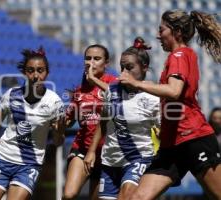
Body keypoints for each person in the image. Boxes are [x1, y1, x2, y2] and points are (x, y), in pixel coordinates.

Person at [117, 9, 221, 200]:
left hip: (193, 139)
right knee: (136, 198)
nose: (158, 35)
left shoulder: (179, 55)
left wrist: (138, 83)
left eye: (162, 30)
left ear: (177, 32)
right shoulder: (180, 56)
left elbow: (174, 91)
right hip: (171, 143)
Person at [0, 47, 65, 200]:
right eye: (31, 70)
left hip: (29, 165)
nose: (36, 75)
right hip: (2, 159)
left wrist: (59, 130)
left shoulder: (54, 102)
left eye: (40, 70)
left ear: (47, 73)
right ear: (24, 72)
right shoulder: (11, 95)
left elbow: (58, 141)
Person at [84, 37, 160, 200]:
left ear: (144, 67)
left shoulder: (153, 96)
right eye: (122, 67)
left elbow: (162, 130)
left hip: (138, 158)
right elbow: (103, 122)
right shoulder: (111, 90)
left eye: (130, 67)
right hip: (110, 161)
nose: (123, 72)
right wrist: (91, 151)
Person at [63, 44, 116, 200]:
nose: (91, 62)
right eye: (88, 58)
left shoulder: (113, 82)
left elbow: (118, 96)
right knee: (69, 194)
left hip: (107, 154)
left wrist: (93, 79)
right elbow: (68, 121)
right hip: (82, 149)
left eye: (96, 59)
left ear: (106, 63)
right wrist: (59, 121)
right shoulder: (79, 91)